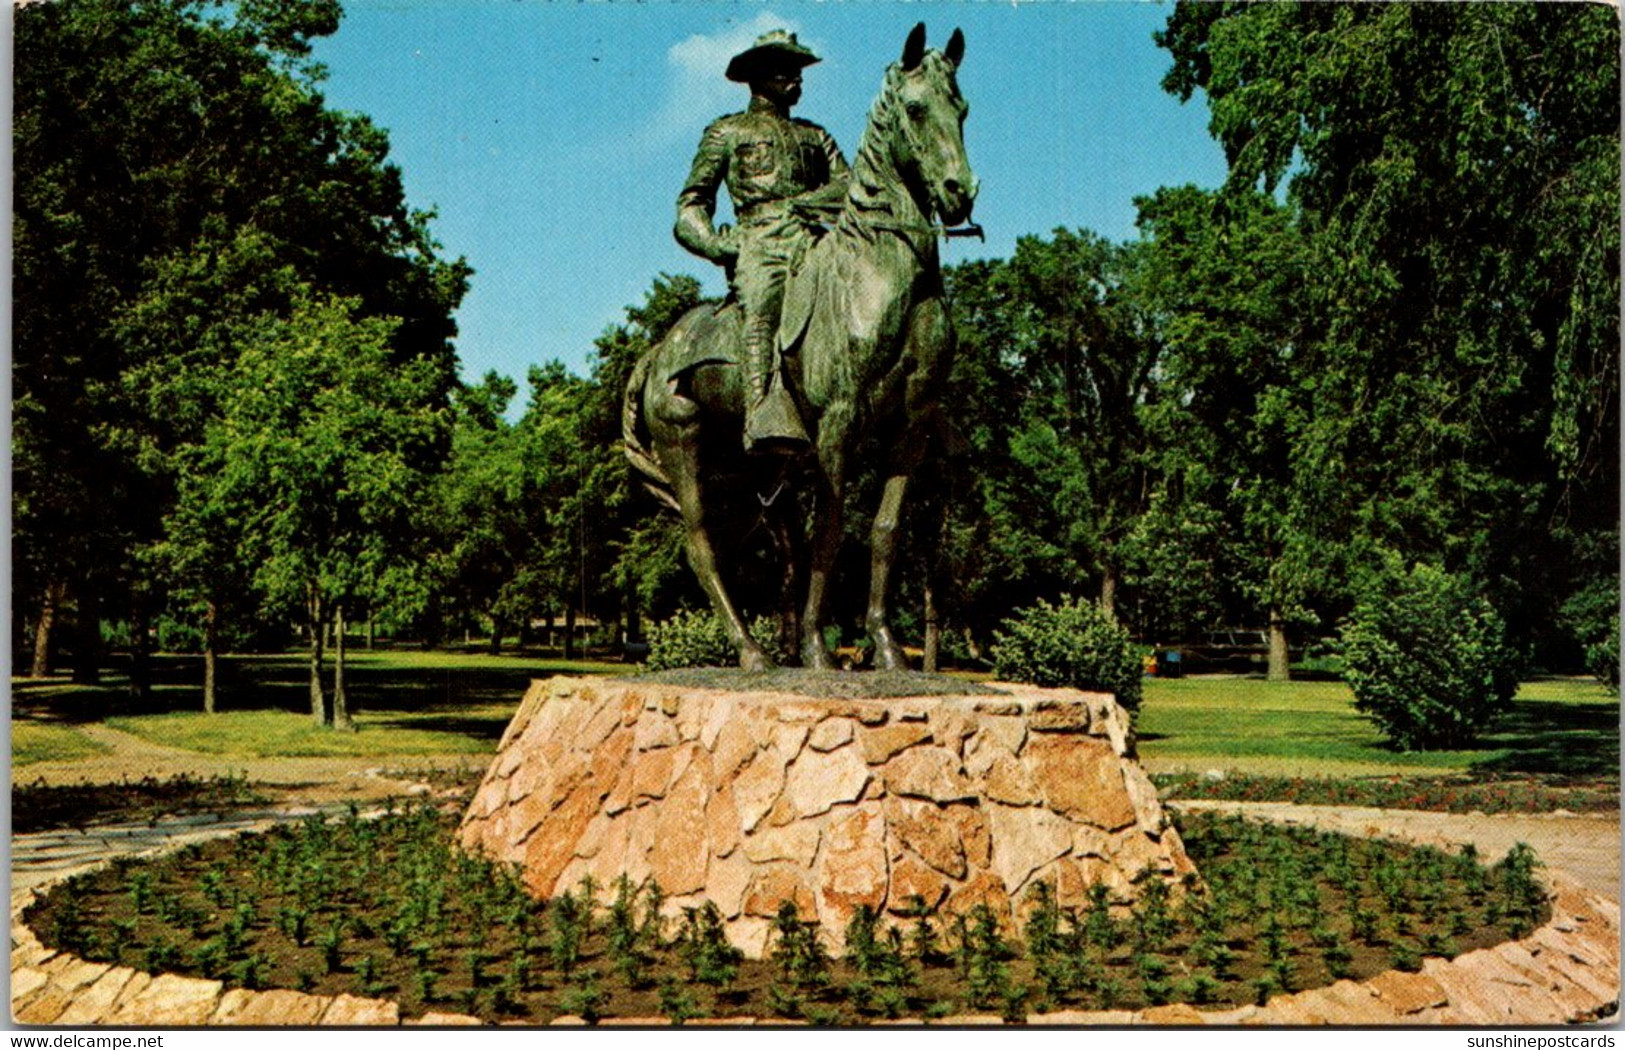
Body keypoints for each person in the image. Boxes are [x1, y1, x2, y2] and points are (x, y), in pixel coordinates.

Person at [675, 29, 850, 453]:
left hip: (815, 240)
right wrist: (719, 245)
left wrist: (810, 203)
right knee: (764, 299)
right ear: (759, 76)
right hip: (759, 243)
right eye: (785, 71)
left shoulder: (817, 136)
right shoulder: (726, 132)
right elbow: (691, 206)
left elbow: (850, 186)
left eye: (799, 71)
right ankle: (762, 413)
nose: (797, 79)